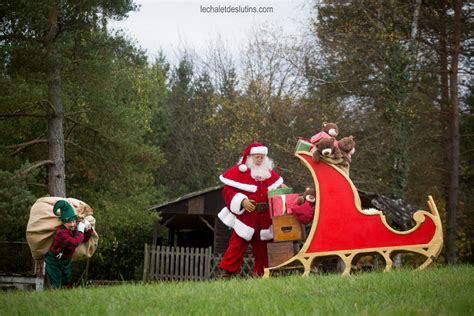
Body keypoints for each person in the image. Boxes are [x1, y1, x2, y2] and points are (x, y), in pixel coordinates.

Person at [218, 142, 285, 277]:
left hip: (265, 216)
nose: (259, 159)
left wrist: (281, 188)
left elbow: (277, 186)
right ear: (250, 157)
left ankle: (261, 274)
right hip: (246, 216)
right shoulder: (238, 172)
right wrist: (242, 201)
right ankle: (227, 273)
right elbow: (227, 191)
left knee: (263, 247)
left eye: (261, 157)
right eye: (256, 157)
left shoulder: (269, 173)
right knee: (237, 244)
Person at [45, 200, 92, 288]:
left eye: (73, 221)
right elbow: (75, 242)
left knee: (66, 281)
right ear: (63, 222)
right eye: (69, 222)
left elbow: (84, 239)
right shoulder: (61, 233)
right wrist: (80, 230)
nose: (72, 224)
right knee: (56, 283)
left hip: (65, 261)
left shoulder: (73, 230)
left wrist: (88, 229)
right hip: (54, 261)